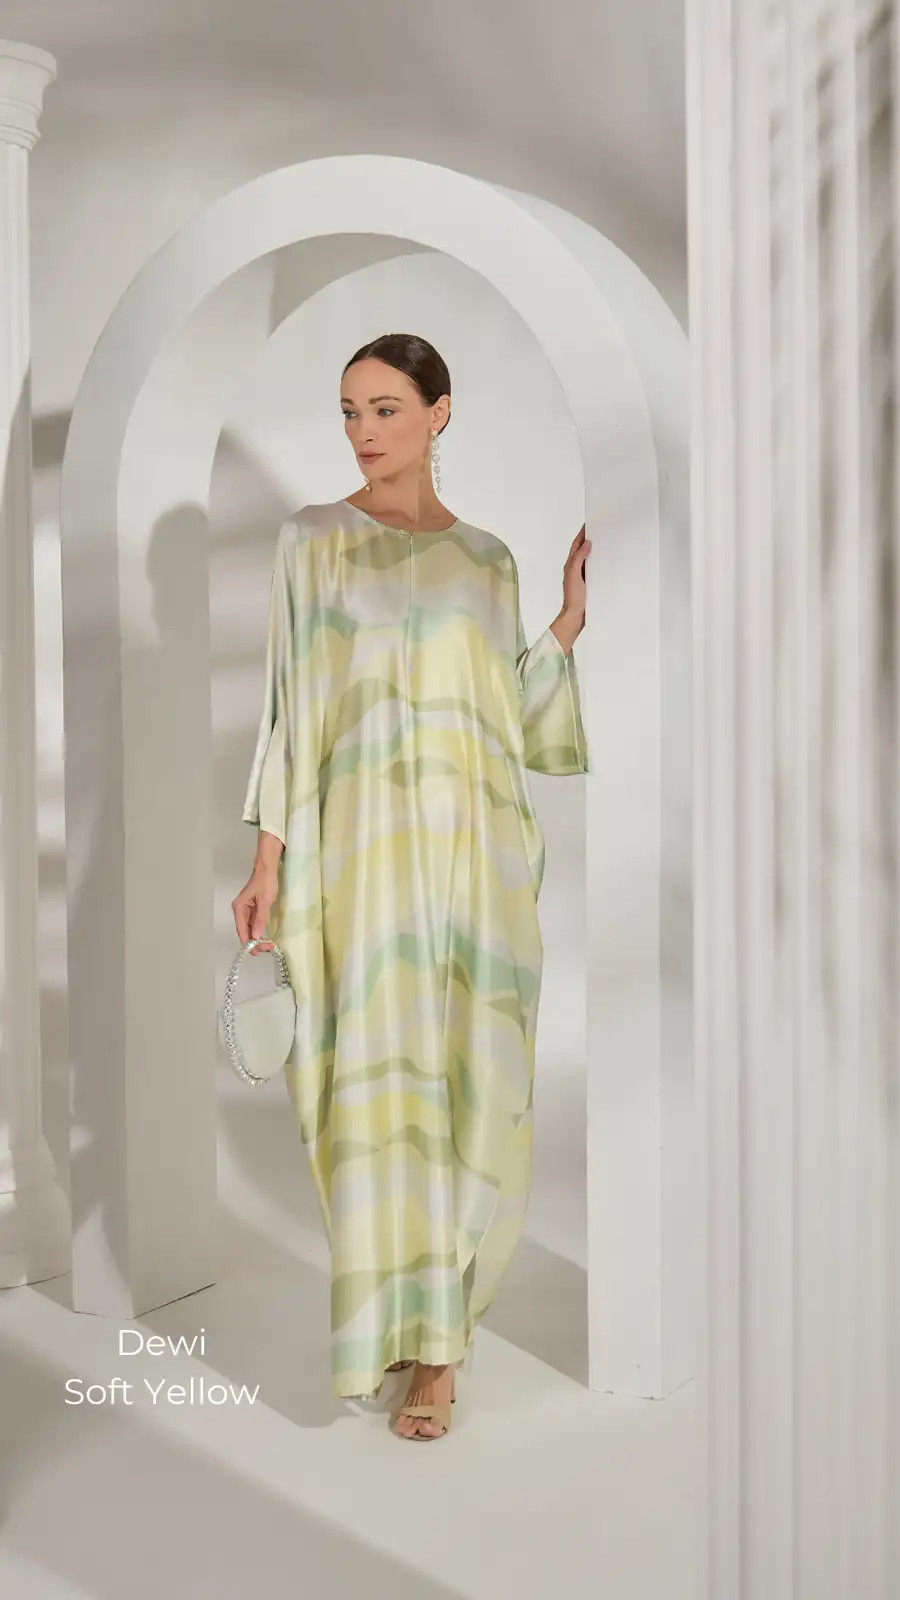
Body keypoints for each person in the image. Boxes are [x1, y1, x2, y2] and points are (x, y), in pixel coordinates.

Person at [232, 332, 591, 1440]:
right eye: (349, 411)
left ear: (440, 412)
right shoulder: (313, 541)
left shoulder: (488, 560)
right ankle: (387, 1322)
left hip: (470, 866)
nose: (363, 432)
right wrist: (266, 863)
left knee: (463, 1083)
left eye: (385, 408)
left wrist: (565, 626)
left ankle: (438, 1351)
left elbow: (505, 716)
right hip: (356, 866)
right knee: (365, 1099)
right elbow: (290, 711)